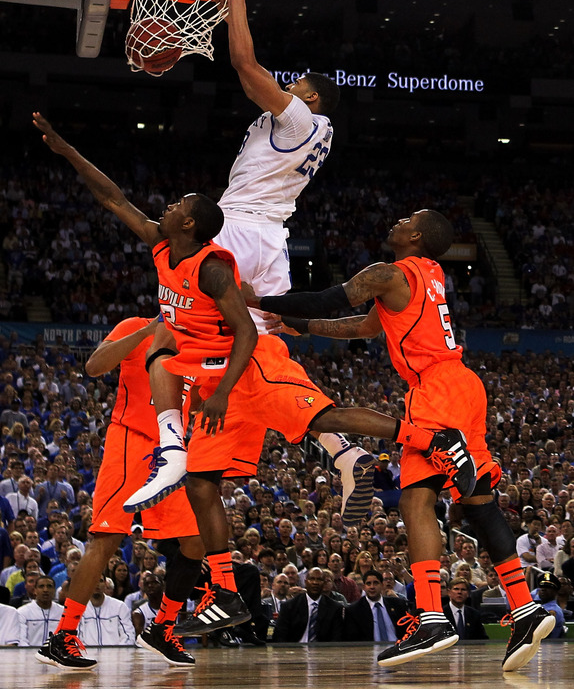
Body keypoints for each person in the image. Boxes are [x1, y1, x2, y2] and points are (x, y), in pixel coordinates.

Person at [33, 114, 474, 643]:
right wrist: (66, 151)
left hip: (238, 363)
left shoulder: (216, 268)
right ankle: (222, 593)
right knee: (198, 476)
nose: (167, 208)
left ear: (192, 225)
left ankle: (409, 442)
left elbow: (247, 329)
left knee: (299, 408)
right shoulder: (161, 248)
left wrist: (226, 377)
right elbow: (114, 199)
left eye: (177, 206)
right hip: (208, 371)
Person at [123, 0, 378, 531]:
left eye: (292, 87)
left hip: (241, 228)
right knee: (263, 347)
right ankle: (341, 450)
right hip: (271, 238)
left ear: (308, 95)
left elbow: (244, 65)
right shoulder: (306, 130)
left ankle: (170, 445)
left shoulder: (302, 120)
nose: (283, 91)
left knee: (181, 326)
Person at [247, 208, 554, 671]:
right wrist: (303, 329)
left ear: (414, 234)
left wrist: (267, 300)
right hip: (465, 385)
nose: (396, 222)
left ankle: (431, 616)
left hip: (434, 390)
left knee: (415, 504)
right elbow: (363, 327)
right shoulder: (428, 275)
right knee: (481, 503)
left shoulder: (386, 272)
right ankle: (525, 609)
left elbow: (333, 298)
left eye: (406, 219)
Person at [35, 316, 203, 670]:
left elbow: (196, 402)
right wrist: (147, 331)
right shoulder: (138, 325)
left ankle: (162, 629)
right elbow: (94, 366)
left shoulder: (198, 341)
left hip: (171, 451)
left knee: (194, 542)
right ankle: (62, 636)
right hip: (130, 439)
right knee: (107, 538)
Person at [273, 567, 343, 642]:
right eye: (312, 579)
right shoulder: (289, 606)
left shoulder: (334, 608)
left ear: (324, 583)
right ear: (305, 582)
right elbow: (280, 636)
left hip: (323, 651)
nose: (315, 583)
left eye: (319, 579)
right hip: (295, 650)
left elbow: (336, 638)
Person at [343, 569, 408, 642]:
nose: (372, 587)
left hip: (397, 648)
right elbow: (352, 639)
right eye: (368, 584)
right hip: (368, 651)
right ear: (364, 587)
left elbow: (406, 631)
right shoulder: (354, 610)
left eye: (376, 583)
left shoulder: (397, 604)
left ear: (382, 585)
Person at [76, 575, 136, 647]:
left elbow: (129, 635)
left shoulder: (120, 607)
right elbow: (77, 638)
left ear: (105, 584)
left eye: (100, 581)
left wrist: (119, 653)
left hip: (117, 656)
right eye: (93, 581)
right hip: (87, 655)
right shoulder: (78, 609)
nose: (97, 584)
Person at [17, 575, 63, 646]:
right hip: (29, 654)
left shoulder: (63, 612)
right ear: (35, 590)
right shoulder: (22, 612)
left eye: (49, 586)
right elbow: (21, 640)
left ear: (54, 590)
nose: (45, 590)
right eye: (41, 586)